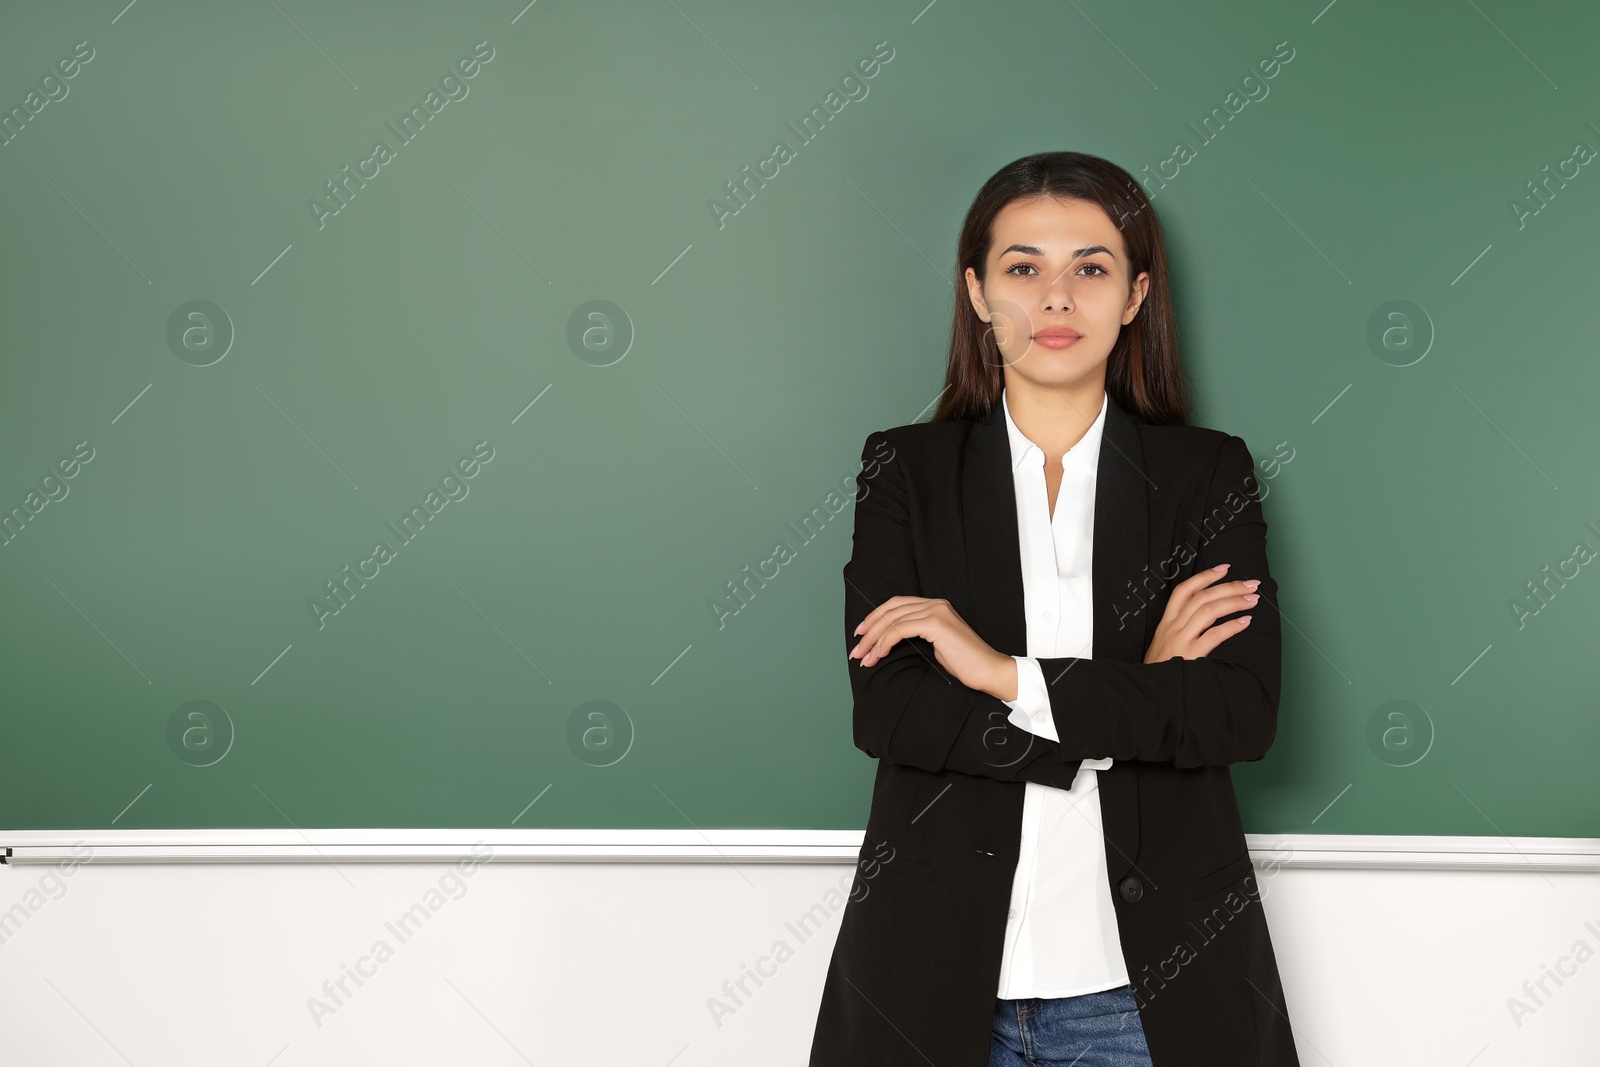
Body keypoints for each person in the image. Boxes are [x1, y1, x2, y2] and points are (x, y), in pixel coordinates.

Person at [808, 152, 1300, 1066]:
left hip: (1146, 989)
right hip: (933, 975)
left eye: (1092, 268)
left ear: (1136, 293)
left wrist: (1000, 674)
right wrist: (1141, 687)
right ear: (978, 292)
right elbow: (893, 710)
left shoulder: (1207, 475)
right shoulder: (905, 472)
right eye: (1023, 268)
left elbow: (1239, 710)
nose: (1057, 299)